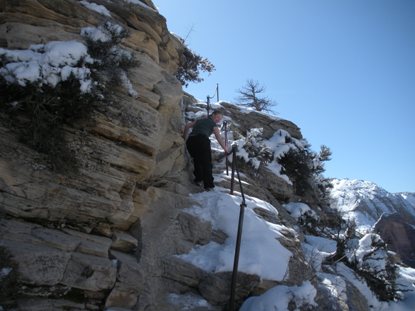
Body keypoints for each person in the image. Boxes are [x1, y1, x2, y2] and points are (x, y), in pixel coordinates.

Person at [183, 110, 228, 191]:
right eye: (217, 117)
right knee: (206, 162)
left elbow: (187, 126)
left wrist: (184, 138)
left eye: (220, 118)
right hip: (202, 140)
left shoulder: (200, 120)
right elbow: (218, 137)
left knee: (197, 160)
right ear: (213, 115)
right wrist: (225, 148)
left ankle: (198, 179)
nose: (218, 119)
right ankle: (209, 185)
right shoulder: (213, 124)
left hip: (191, 141)